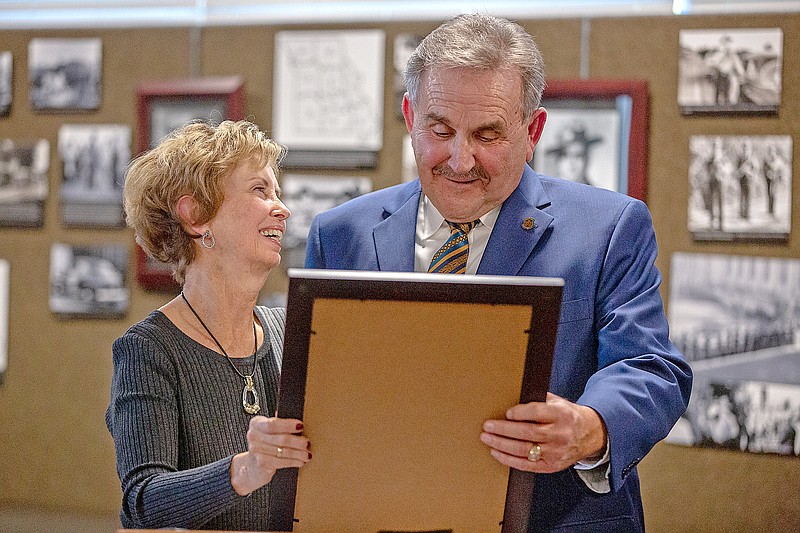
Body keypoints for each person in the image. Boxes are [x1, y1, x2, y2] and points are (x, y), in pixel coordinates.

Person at [305, 13, 692, 532]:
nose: (460, 160)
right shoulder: (341, 233)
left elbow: (651, 368)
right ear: (409, 116)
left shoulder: (609, 228)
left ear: (533, 130)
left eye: (488, 136)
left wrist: (589, 425)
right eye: (440, 131)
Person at [106, 120, 311, 530]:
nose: (282, 208)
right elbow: (143, 501)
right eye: (259, 190)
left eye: (278, 192)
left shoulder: (289, 331)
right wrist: (245, 470)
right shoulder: (148, 350)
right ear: (196, 215)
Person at [545, 120, 602, 186]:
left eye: (578, 155)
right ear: (557, 160)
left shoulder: (596, 194)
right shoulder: (546, 192)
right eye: (565, 155)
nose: (572, 162)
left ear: (586, 159)